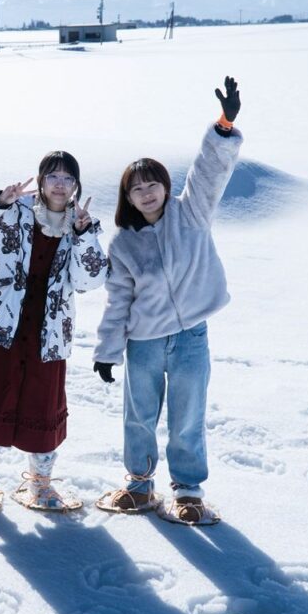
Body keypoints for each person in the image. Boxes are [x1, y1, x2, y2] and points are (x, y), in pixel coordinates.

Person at [93, 76, 243, 525]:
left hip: (191, 336)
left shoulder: (191, 213)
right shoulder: (123, 243)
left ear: (165, 185)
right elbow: (117, 302)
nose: (147, 192)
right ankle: (139, 485)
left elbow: (209, 171)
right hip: (144, 342)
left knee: (188, 415)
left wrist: (223, 125)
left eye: (153, 184)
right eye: (137, 188)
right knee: (139, 416)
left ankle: (188, 491)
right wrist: (107, 351)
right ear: (128, 197)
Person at [0, 151, 109, 512]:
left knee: (42, 405)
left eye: (68, 178)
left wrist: (83, 235)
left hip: (48, 332)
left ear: (76, 185)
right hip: (1, 325)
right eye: (53, 176)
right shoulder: (12, 211)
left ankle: (41, 486)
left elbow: (91, 280)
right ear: (40, 180)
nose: (60, 185)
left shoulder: (82, 224)